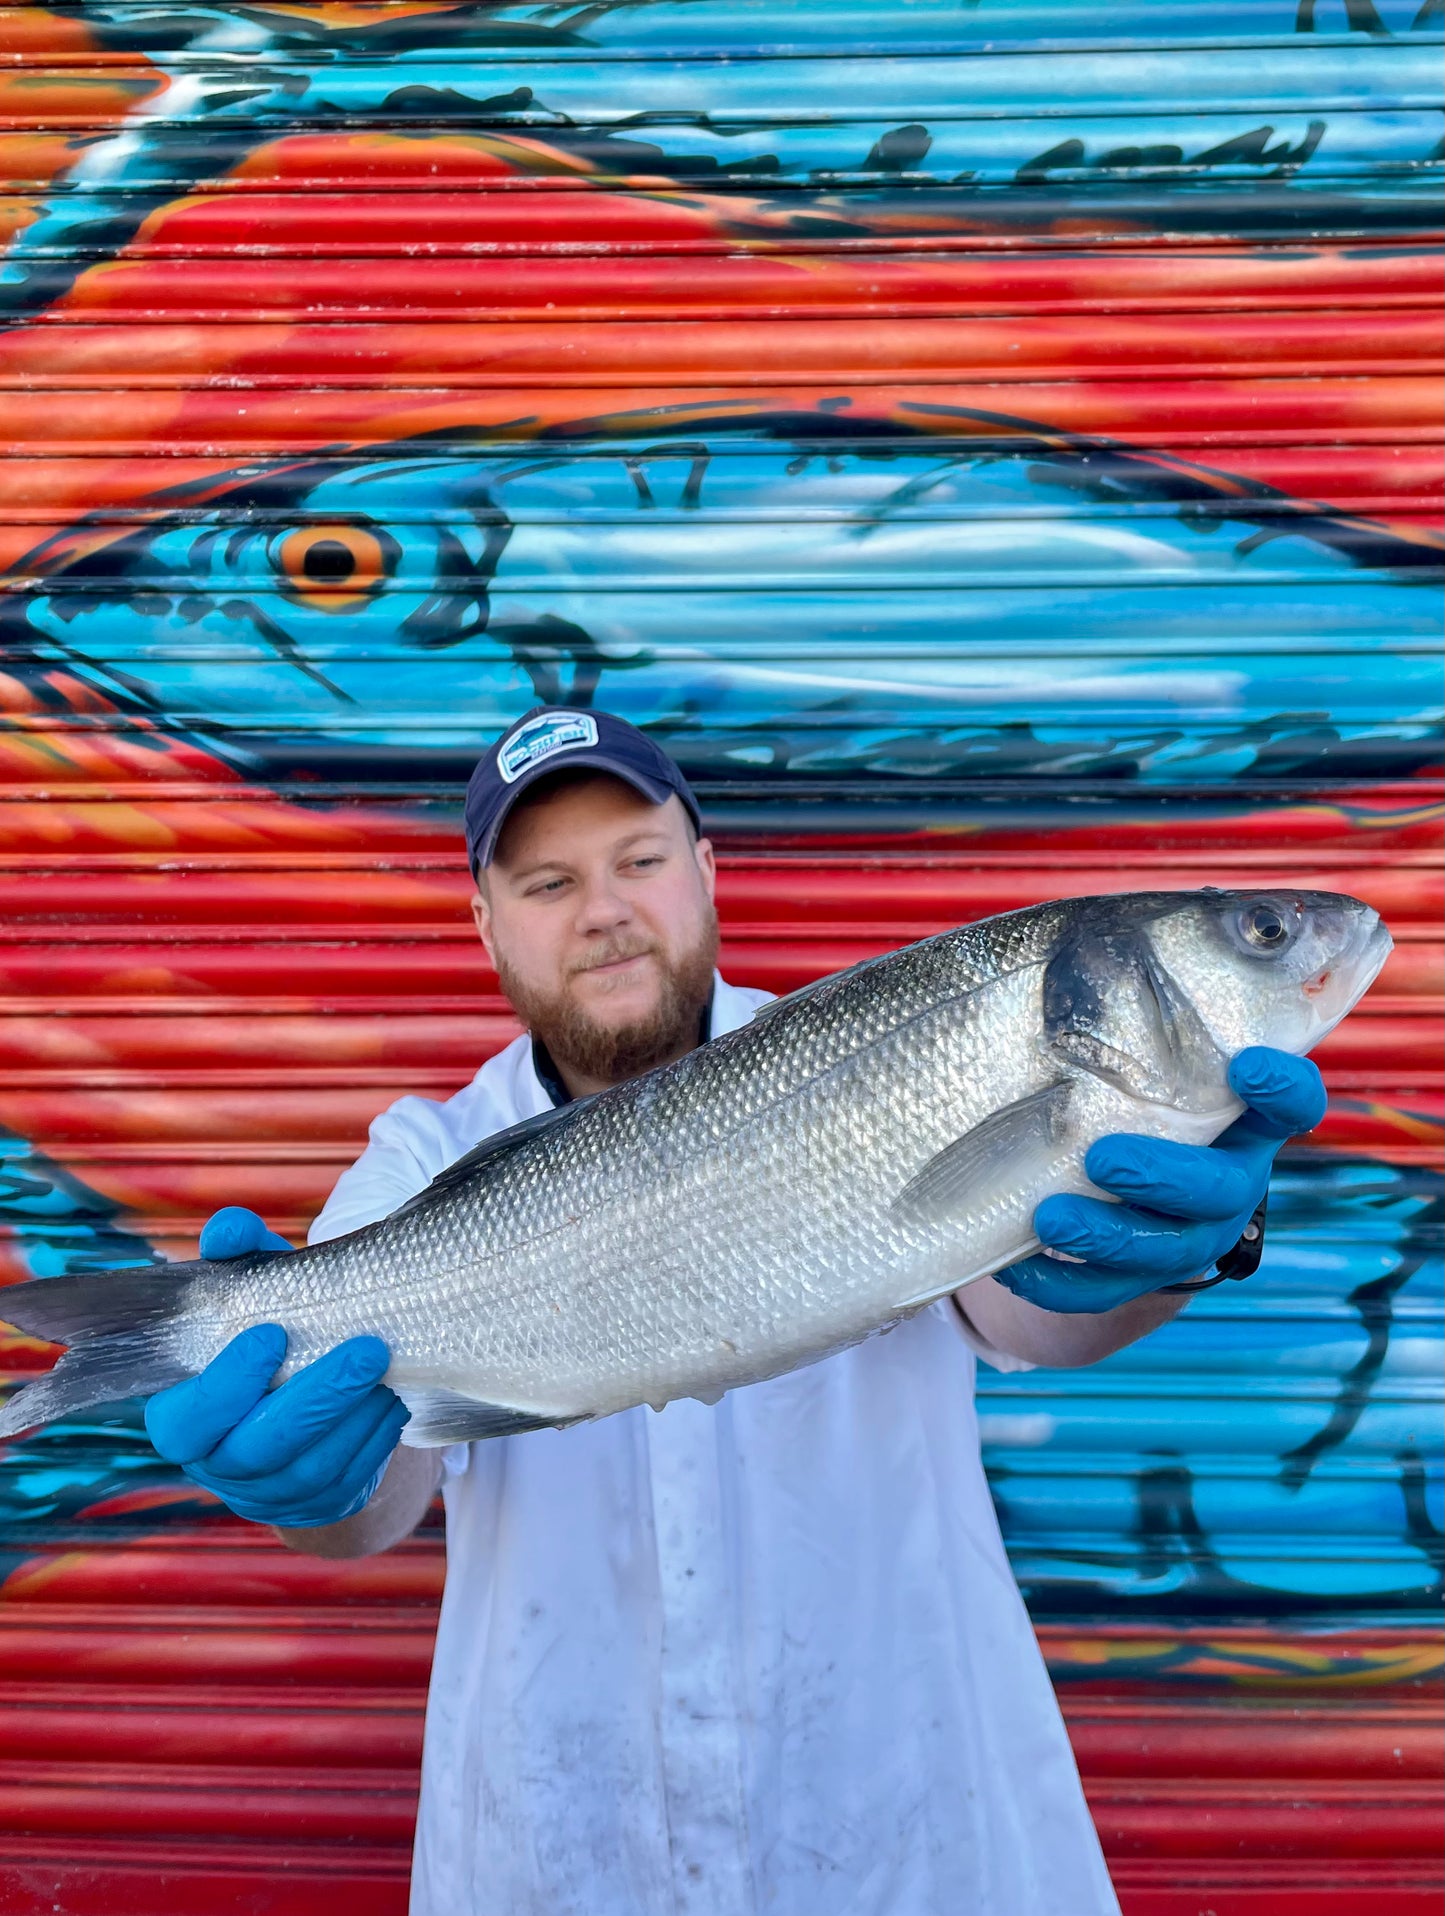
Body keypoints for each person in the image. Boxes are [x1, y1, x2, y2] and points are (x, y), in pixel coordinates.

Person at [144, 708, 1325, 1916]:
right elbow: (378, 1486)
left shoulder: (882, 1057)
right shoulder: (424, 1157)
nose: (602, 909)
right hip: (562, 1858)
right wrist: (311, 1483)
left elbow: (1028, 1314)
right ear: (486, 923)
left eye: (638, 860)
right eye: (547, 880)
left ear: (705, 873)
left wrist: (1179, 1252)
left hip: (917, 1843)